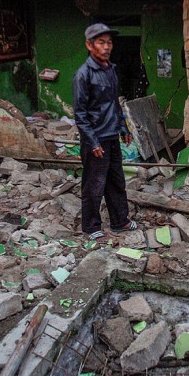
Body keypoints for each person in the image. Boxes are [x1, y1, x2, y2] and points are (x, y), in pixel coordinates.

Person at [73, 23, 138, 241]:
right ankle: (91, 228)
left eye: (109, 42)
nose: (107, 46)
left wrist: (123, 127)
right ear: (89, 45)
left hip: (111, 135)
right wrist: (92, 142)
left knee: (116, 180)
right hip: (96, 138)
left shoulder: (111, 70)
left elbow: (114, 103)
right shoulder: (83, 75)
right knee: (94, 185)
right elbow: (80, 115)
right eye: (101, 42)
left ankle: (120, 221)